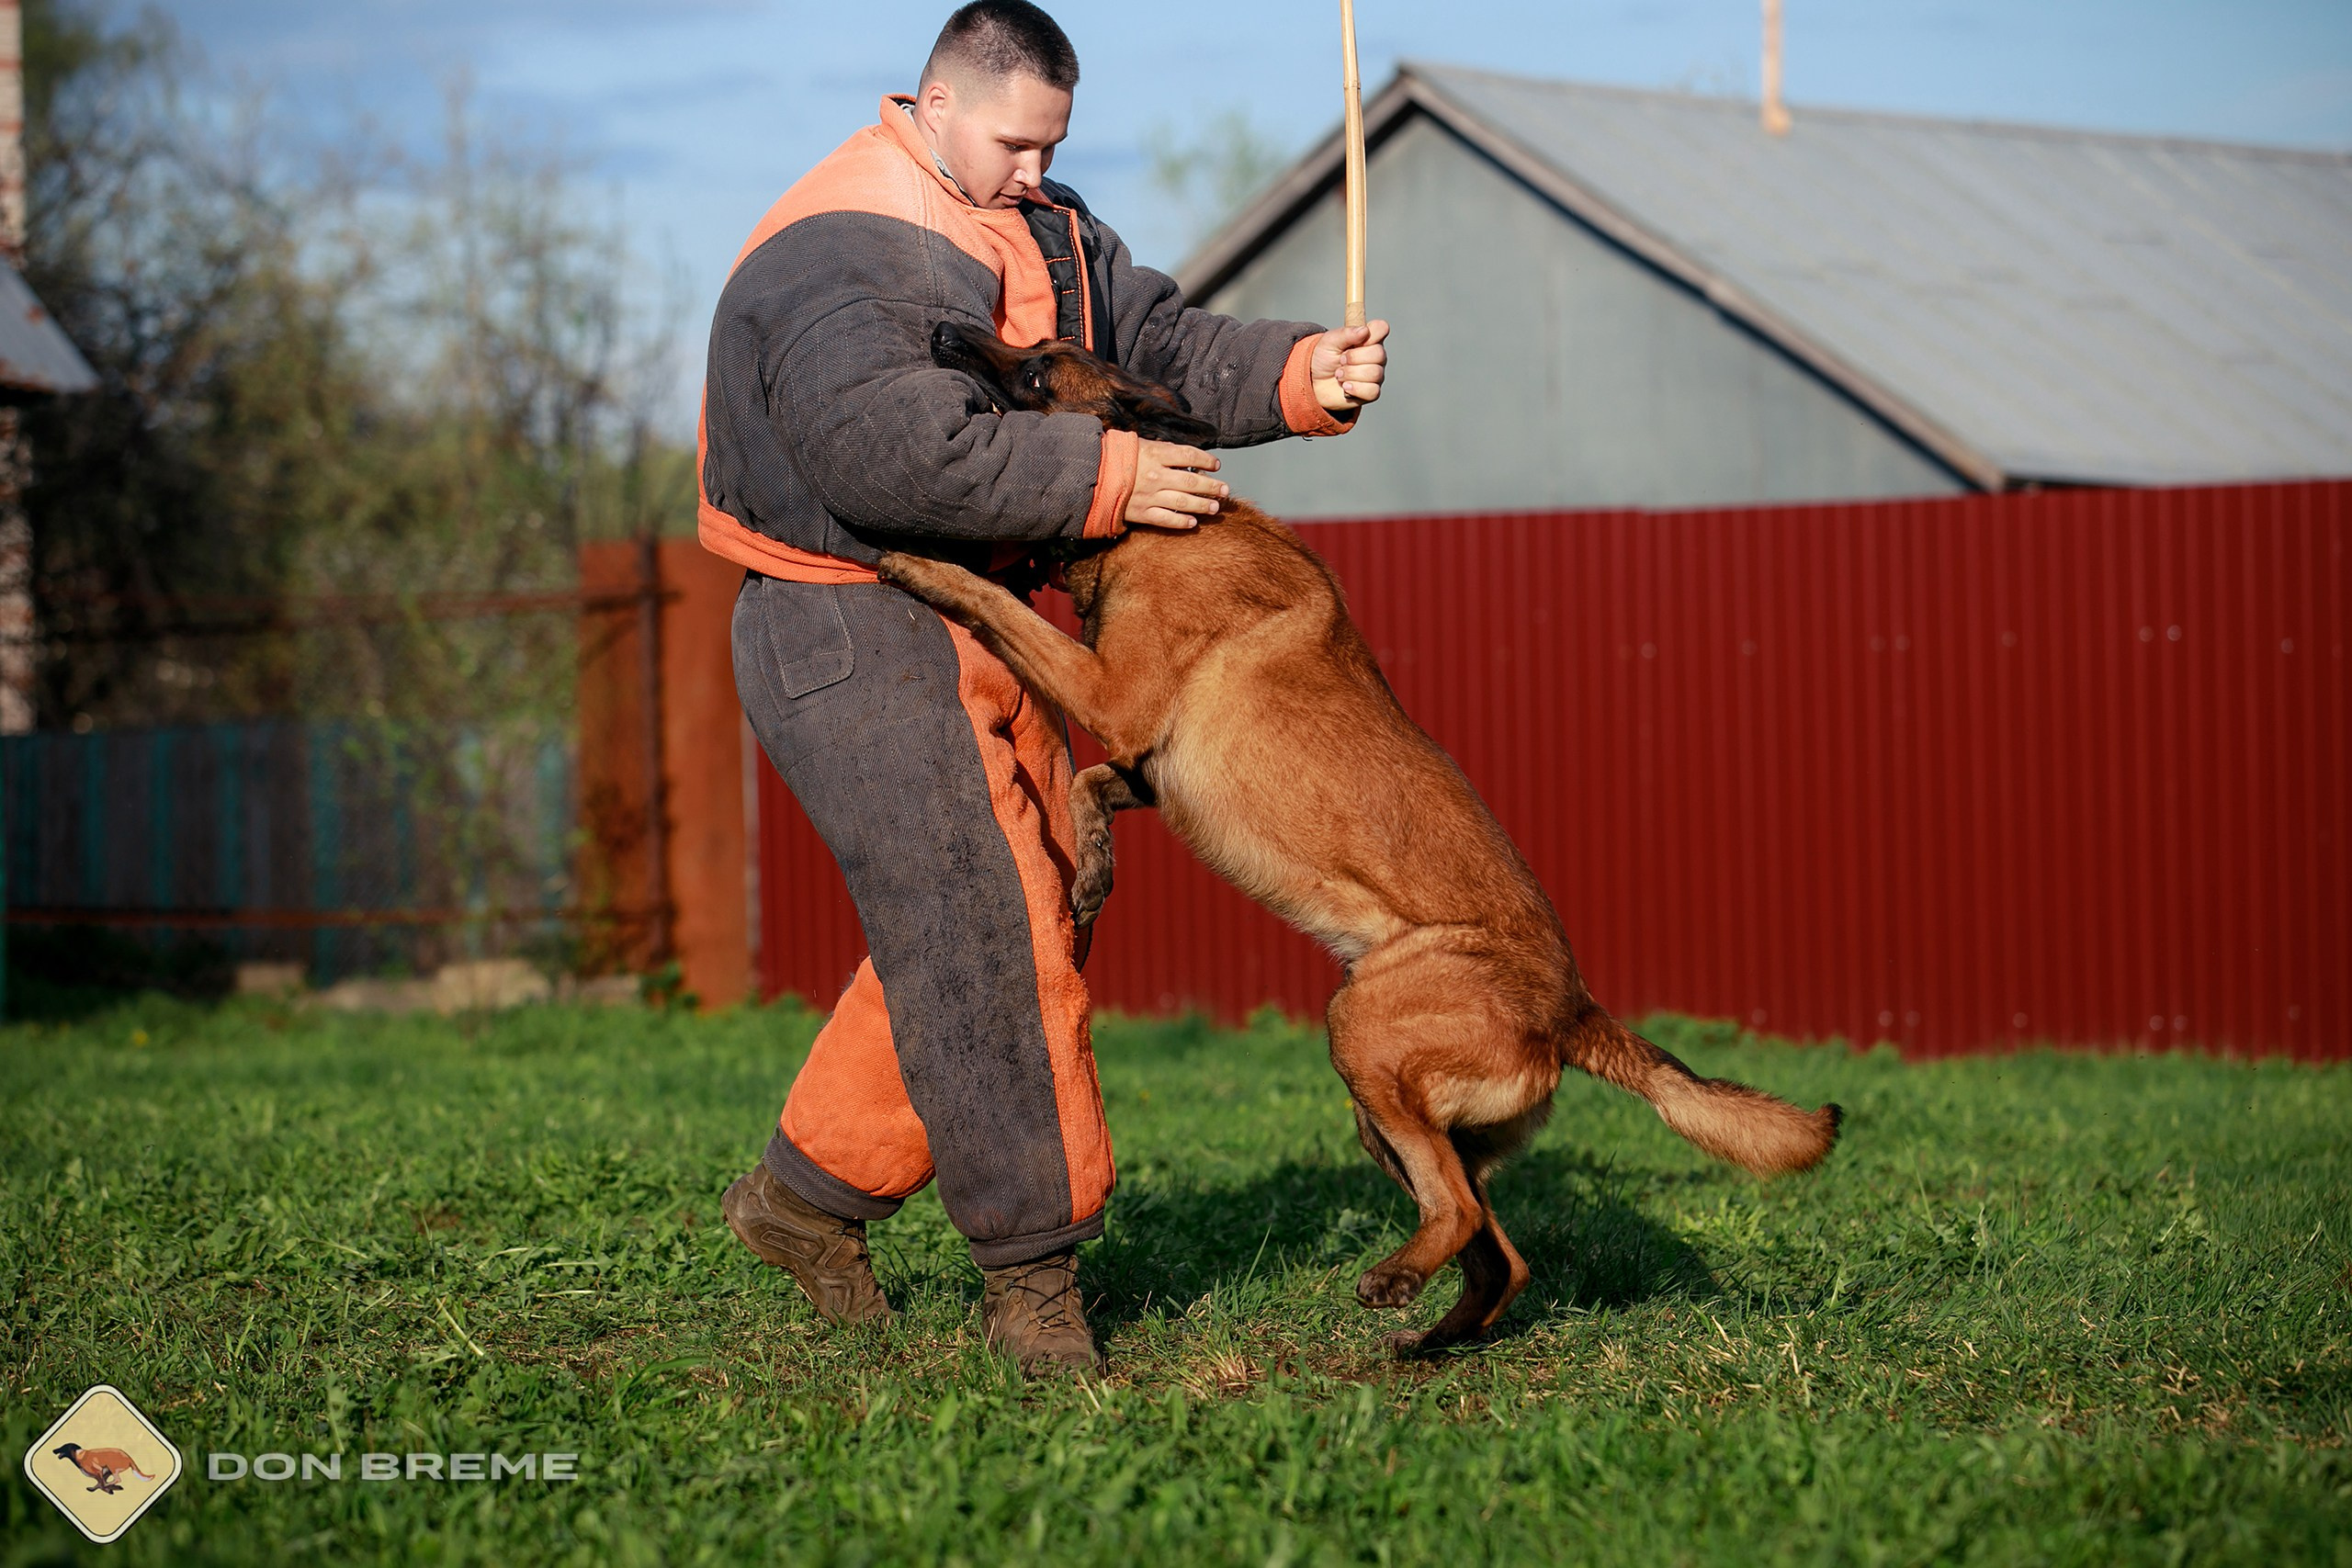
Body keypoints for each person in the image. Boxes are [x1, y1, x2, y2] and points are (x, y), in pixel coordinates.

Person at [704, 0, 1389, 1375]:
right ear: (938, 104)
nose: (1037, 168)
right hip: (848, 620)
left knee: (1016, 916)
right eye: (1017, 142)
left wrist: (1305, 372)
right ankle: (1033, 1281)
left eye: (1052, 144)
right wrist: (1109, 477)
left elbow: (1160, 359)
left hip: (983, 607)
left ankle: (802, 1198)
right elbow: (885, 459)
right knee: (990, 932)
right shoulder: (845, 245)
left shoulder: (1048, 224)